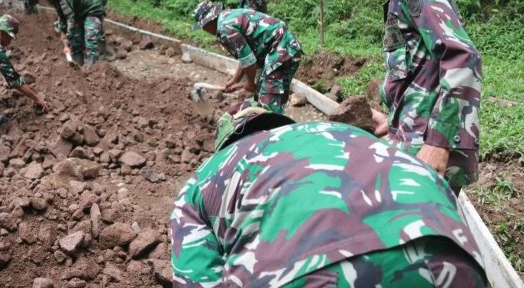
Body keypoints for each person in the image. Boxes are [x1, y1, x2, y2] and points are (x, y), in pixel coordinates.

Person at [170, 100, 487, 287]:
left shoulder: (205, 178)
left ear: (223, 146)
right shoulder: (339, 134)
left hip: (319, 271)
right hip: (454, 251)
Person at [356, 0, 483, 194]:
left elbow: (463, 57)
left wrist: (438, 143)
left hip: (427, 154)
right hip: (415, 145)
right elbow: (423, 72)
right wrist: (394, 121)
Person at [192, 0, 302, 114]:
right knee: (262, 95)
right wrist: (235, 80)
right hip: (277, 49)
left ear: (209, 21)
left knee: (269, 102)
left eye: (203, 26)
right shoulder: (227, 17)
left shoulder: (225, 29)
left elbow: (249, 62)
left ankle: (275, 128)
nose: (204, 30)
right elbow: (245, 54)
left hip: (282, 49)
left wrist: (249, 84)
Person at [31, 0, 105, 67]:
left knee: (90, 38)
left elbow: (70, 20)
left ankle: (93, 68)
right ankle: (77, 64)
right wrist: (63, 34)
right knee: (76, 41)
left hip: (92, 10)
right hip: (78, 14)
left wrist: (67, 41)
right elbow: (62, 17)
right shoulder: (54, 0)